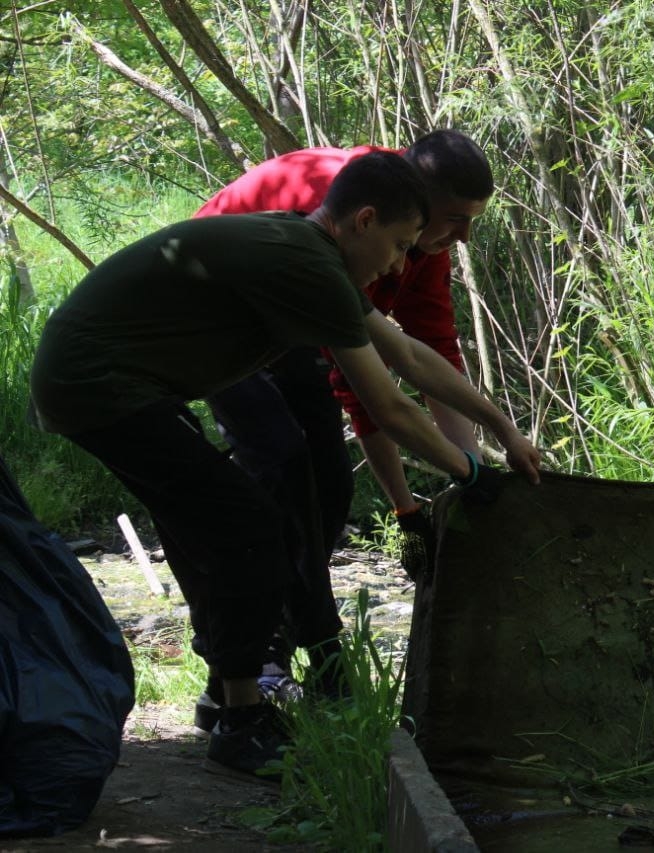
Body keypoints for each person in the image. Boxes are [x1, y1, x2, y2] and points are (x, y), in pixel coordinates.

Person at [29, 150, 541, 781]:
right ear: (365, 220)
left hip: (115, 384)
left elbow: (411, 355)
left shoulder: (314, 253)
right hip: (95, 385)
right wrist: (473, 474)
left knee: (226, 525)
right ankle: (241, 717)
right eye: (401, 245)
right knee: (247, 527)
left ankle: (227, 694)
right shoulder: (307, 264)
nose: (402, 264)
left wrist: (501, 429)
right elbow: (391, 408)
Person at [187, 131, 494, 726]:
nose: (464, 239)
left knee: (329, 483)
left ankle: (281, 657)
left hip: (291, 327)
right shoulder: (347, 213)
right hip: (218, 318)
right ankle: (254, 671)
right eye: (456, 220)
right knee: (279, 468)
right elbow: (379, 398)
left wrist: (460, 486)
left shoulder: (415, 240)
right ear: (409, 204)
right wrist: (467, 471)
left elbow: (428, 355)